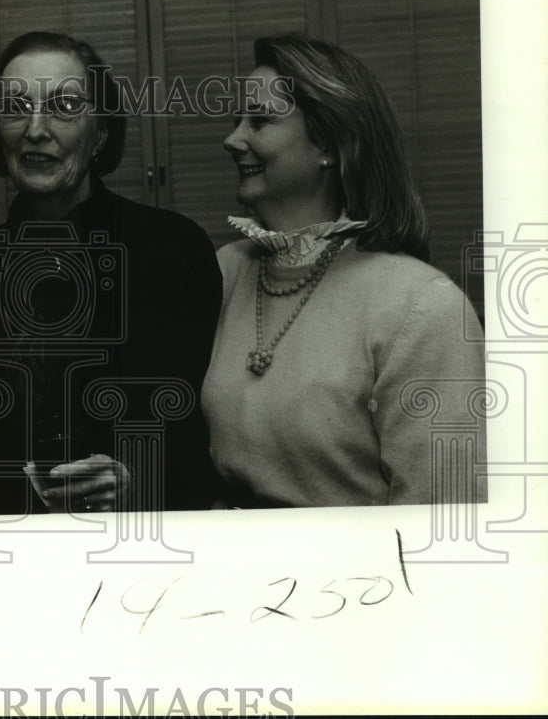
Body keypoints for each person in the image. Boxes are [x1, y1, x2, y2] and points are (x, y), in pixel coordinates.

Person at [0, 31, 222, 516]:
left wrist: (137, 482)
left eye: (63, 106)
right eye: (15, 107)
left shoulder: (173, 249)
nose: (36, 130)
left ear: (100, 131)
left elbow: (199, 431)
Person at [203, 33, 486, 507]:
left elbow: (442, 519)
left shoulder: (422, 306)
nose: (232, 140)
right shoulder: (224, 272)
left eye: (261, 120)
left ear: (330, 145)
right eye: (236, 121)